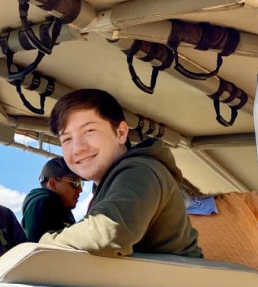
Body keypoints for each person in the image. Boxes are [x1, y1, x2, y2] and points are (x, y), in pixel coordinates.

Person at [39, 88, 202, 258]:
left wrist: (42, 244)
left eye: (89, 131)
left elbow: (108, 234)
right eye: (67, 139)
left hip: (177, 281)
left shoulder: (140, 171)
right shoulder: (113, 181)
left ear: (121, 133)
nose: (78, 148)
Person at [21, 156, 83, 241]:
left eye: (81, 183)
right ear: (53, 183)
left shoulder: (62, 207)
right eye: (75, 183)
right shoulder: (43, 202)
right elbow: (42, 250)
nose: (80, 189)